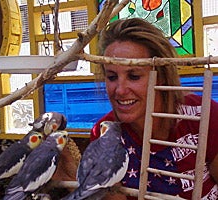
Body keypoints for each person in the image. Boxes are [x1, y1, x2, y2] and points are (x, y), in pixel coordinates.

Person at [90, 18, 218, 199]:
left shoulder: (202, 114)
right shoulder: (105, 132)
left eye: (134, 76)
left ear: (162, 77)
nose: (120, 90)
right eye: (111, 77)